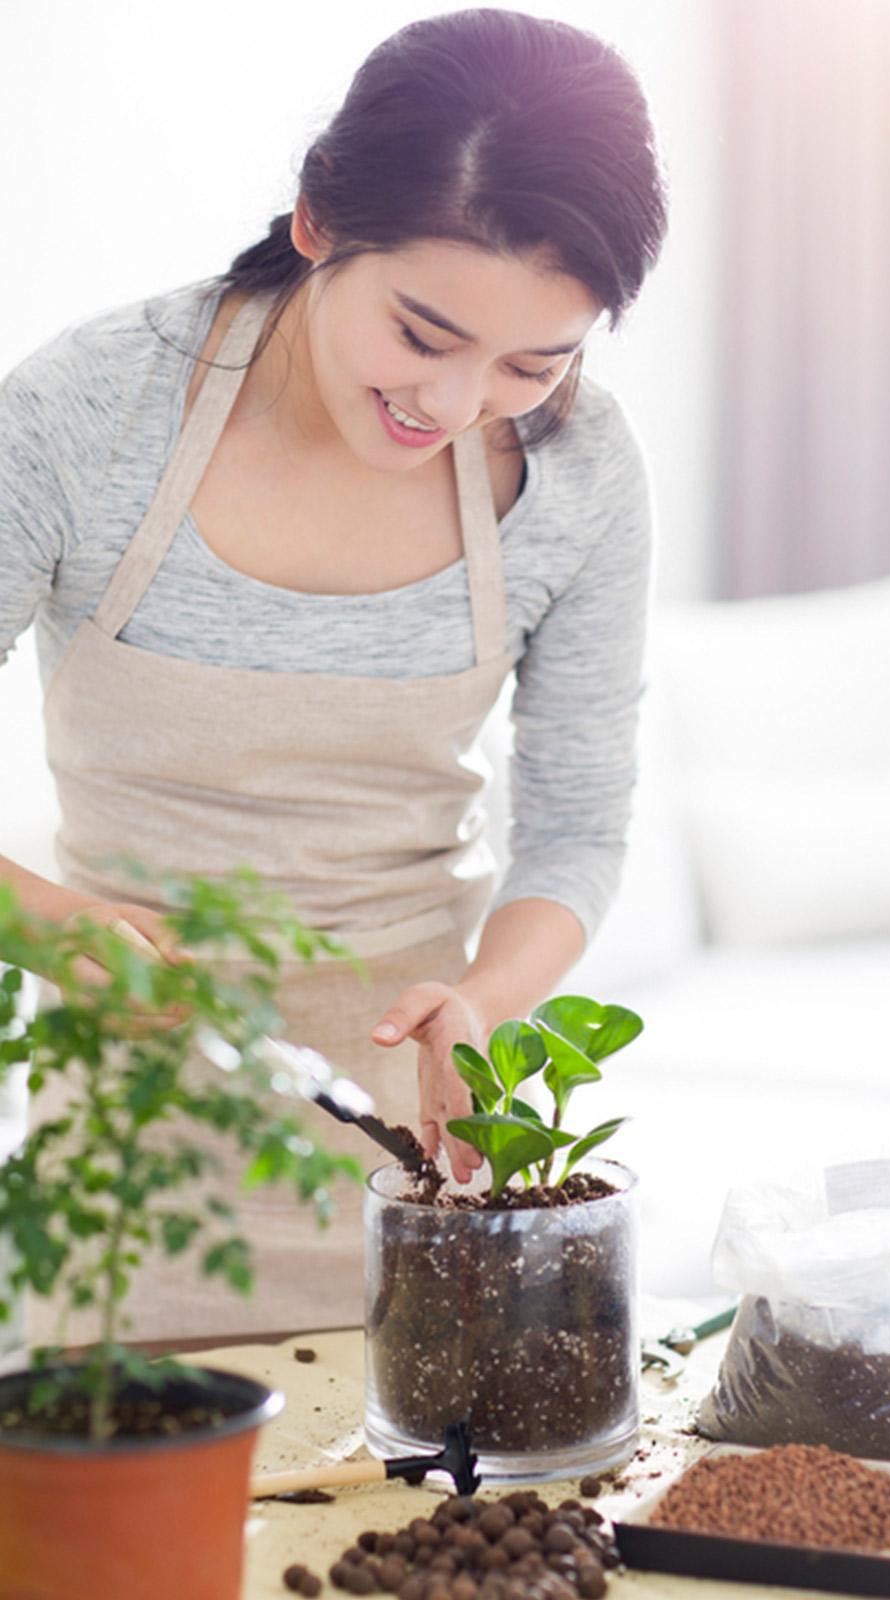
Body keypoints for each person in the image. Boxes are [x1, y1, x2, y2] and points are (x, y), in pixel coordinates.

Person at [0, 7, 668, 1339]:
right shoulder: (91, 412)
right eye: (423, 334)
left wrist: (484, 1000)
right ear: (316, 222)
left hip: (422, 1162)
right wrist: (58, 931)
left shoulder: (582, 476)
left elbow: (579, 831)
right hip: (129, 1173)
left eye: (533, 363)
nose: (460, 404)